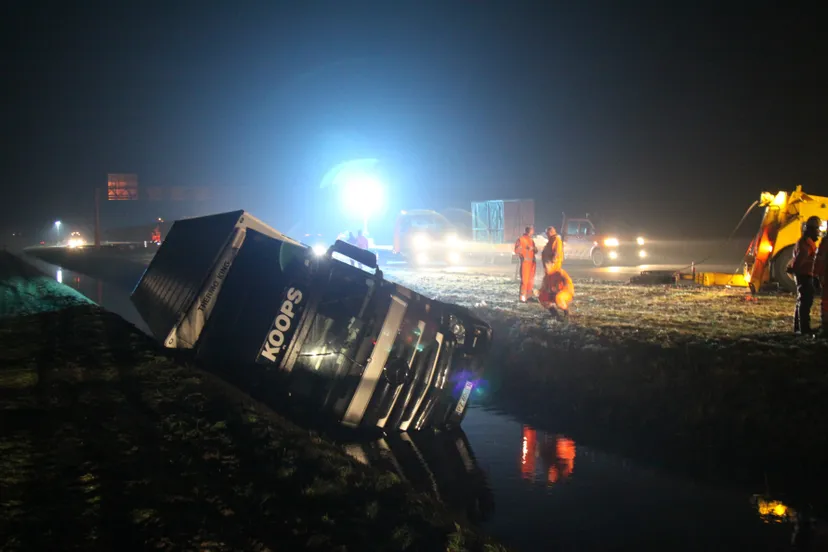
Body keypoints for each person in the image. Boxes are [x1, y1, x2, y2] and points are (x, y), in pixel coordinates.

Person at [787, 216, 821, 335]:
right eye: (817, 229)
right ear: (811, 229)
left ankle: (799, 328)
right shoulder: (806, 242)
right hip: (805, 276)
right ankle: (804, 329)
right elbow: (801, 258)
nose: (818, 232)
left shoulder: (805, 241)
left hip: (804, 275)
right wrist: (797, 271)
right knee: (805, 303)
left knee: (801, 302)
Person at [514, 225, 538, 302]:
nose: (533, 231)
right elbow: (517, 250)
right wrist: (524, 250)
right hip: (525, 263)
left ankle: (529, 296)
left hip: (532, 263)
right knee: (525, 281)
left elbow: (536, 250)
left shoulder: (531, 240)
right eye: (532, 230)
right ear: (530, 231)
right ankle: (522, 298)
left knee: (530, 280)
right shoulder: (521, 239)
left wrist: (533, 248)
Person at [814, 220, 828, 335]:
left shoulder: (825, 242)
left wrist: (816, 274)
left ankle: (826, 326)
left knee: (826, 301)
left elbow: (820, 260)